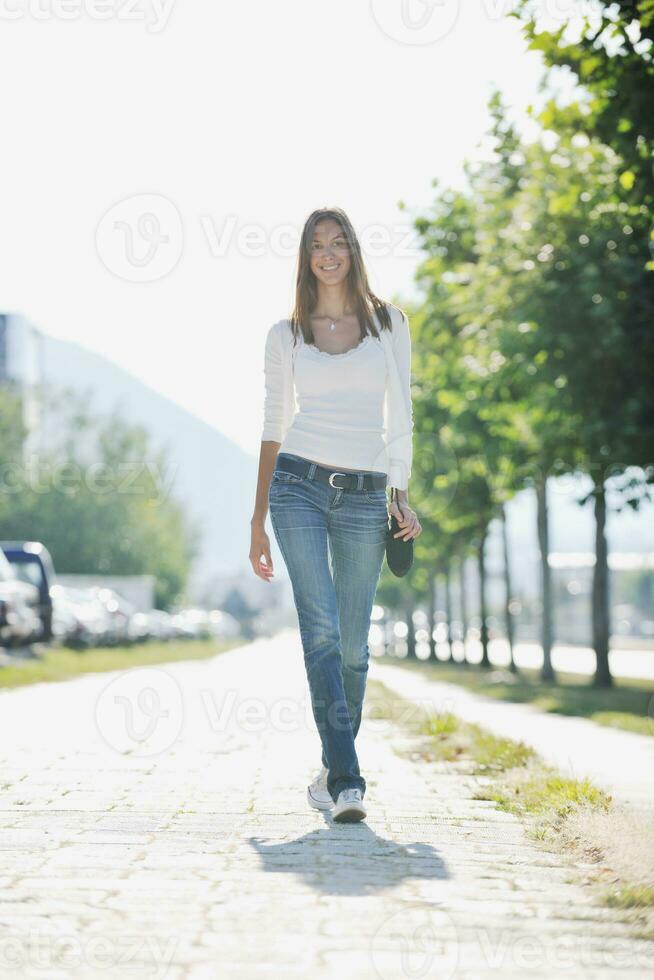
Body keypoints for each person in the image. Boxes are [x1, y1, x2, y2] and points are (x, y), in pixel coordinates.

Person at [250, 206, 422, 823]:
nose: (328, 254)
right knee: (319, 630)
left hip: (364, 491)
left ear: (352, 250)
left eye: (338, 242)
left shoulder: (387, 322)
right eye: (317, 245)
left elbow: (399, 414)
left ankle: (330, 766)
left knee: (353, 647)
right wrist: (256, 520)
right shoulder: (286, 333)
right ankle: (349, 781)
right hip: (296, 486)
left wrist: (399, 494)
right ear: (305, 255)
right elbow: (273, 425)